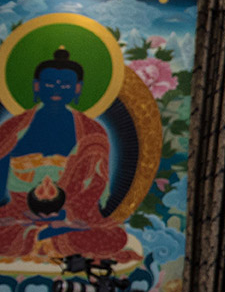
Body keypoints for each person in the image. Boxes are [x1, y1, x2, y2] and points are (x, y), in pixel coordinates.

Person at [0, 47, 129, 260]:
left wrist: (66, 215)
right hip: (18, 214)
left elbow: (96, 185)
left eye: (66, 84)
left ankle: (43, 236)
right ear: (37, 86)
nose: (57, 89)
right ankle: (46, 237)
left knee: (115, 236)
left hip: (71, 216)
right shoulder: (12, 129)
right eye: (49, 83)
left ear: (78, 88)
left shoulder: (92, 132)